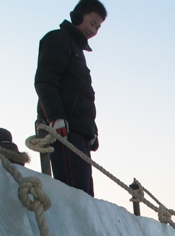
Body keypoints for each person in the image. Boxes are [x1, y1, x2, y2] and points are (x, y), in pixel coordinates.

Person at [35, 0, 107, 196]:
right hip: (64, 130)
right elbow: (45, 81)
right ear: (77, 16)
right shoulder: (57, 39)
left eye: (98, 27)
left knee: (85, 194)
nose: (94, 30)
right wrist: (55, 117)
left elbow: (83, 97)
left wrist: (91, 132)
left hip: (79, 134)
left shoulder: (77, 52)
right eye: (92, 23)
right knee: (74, 193)